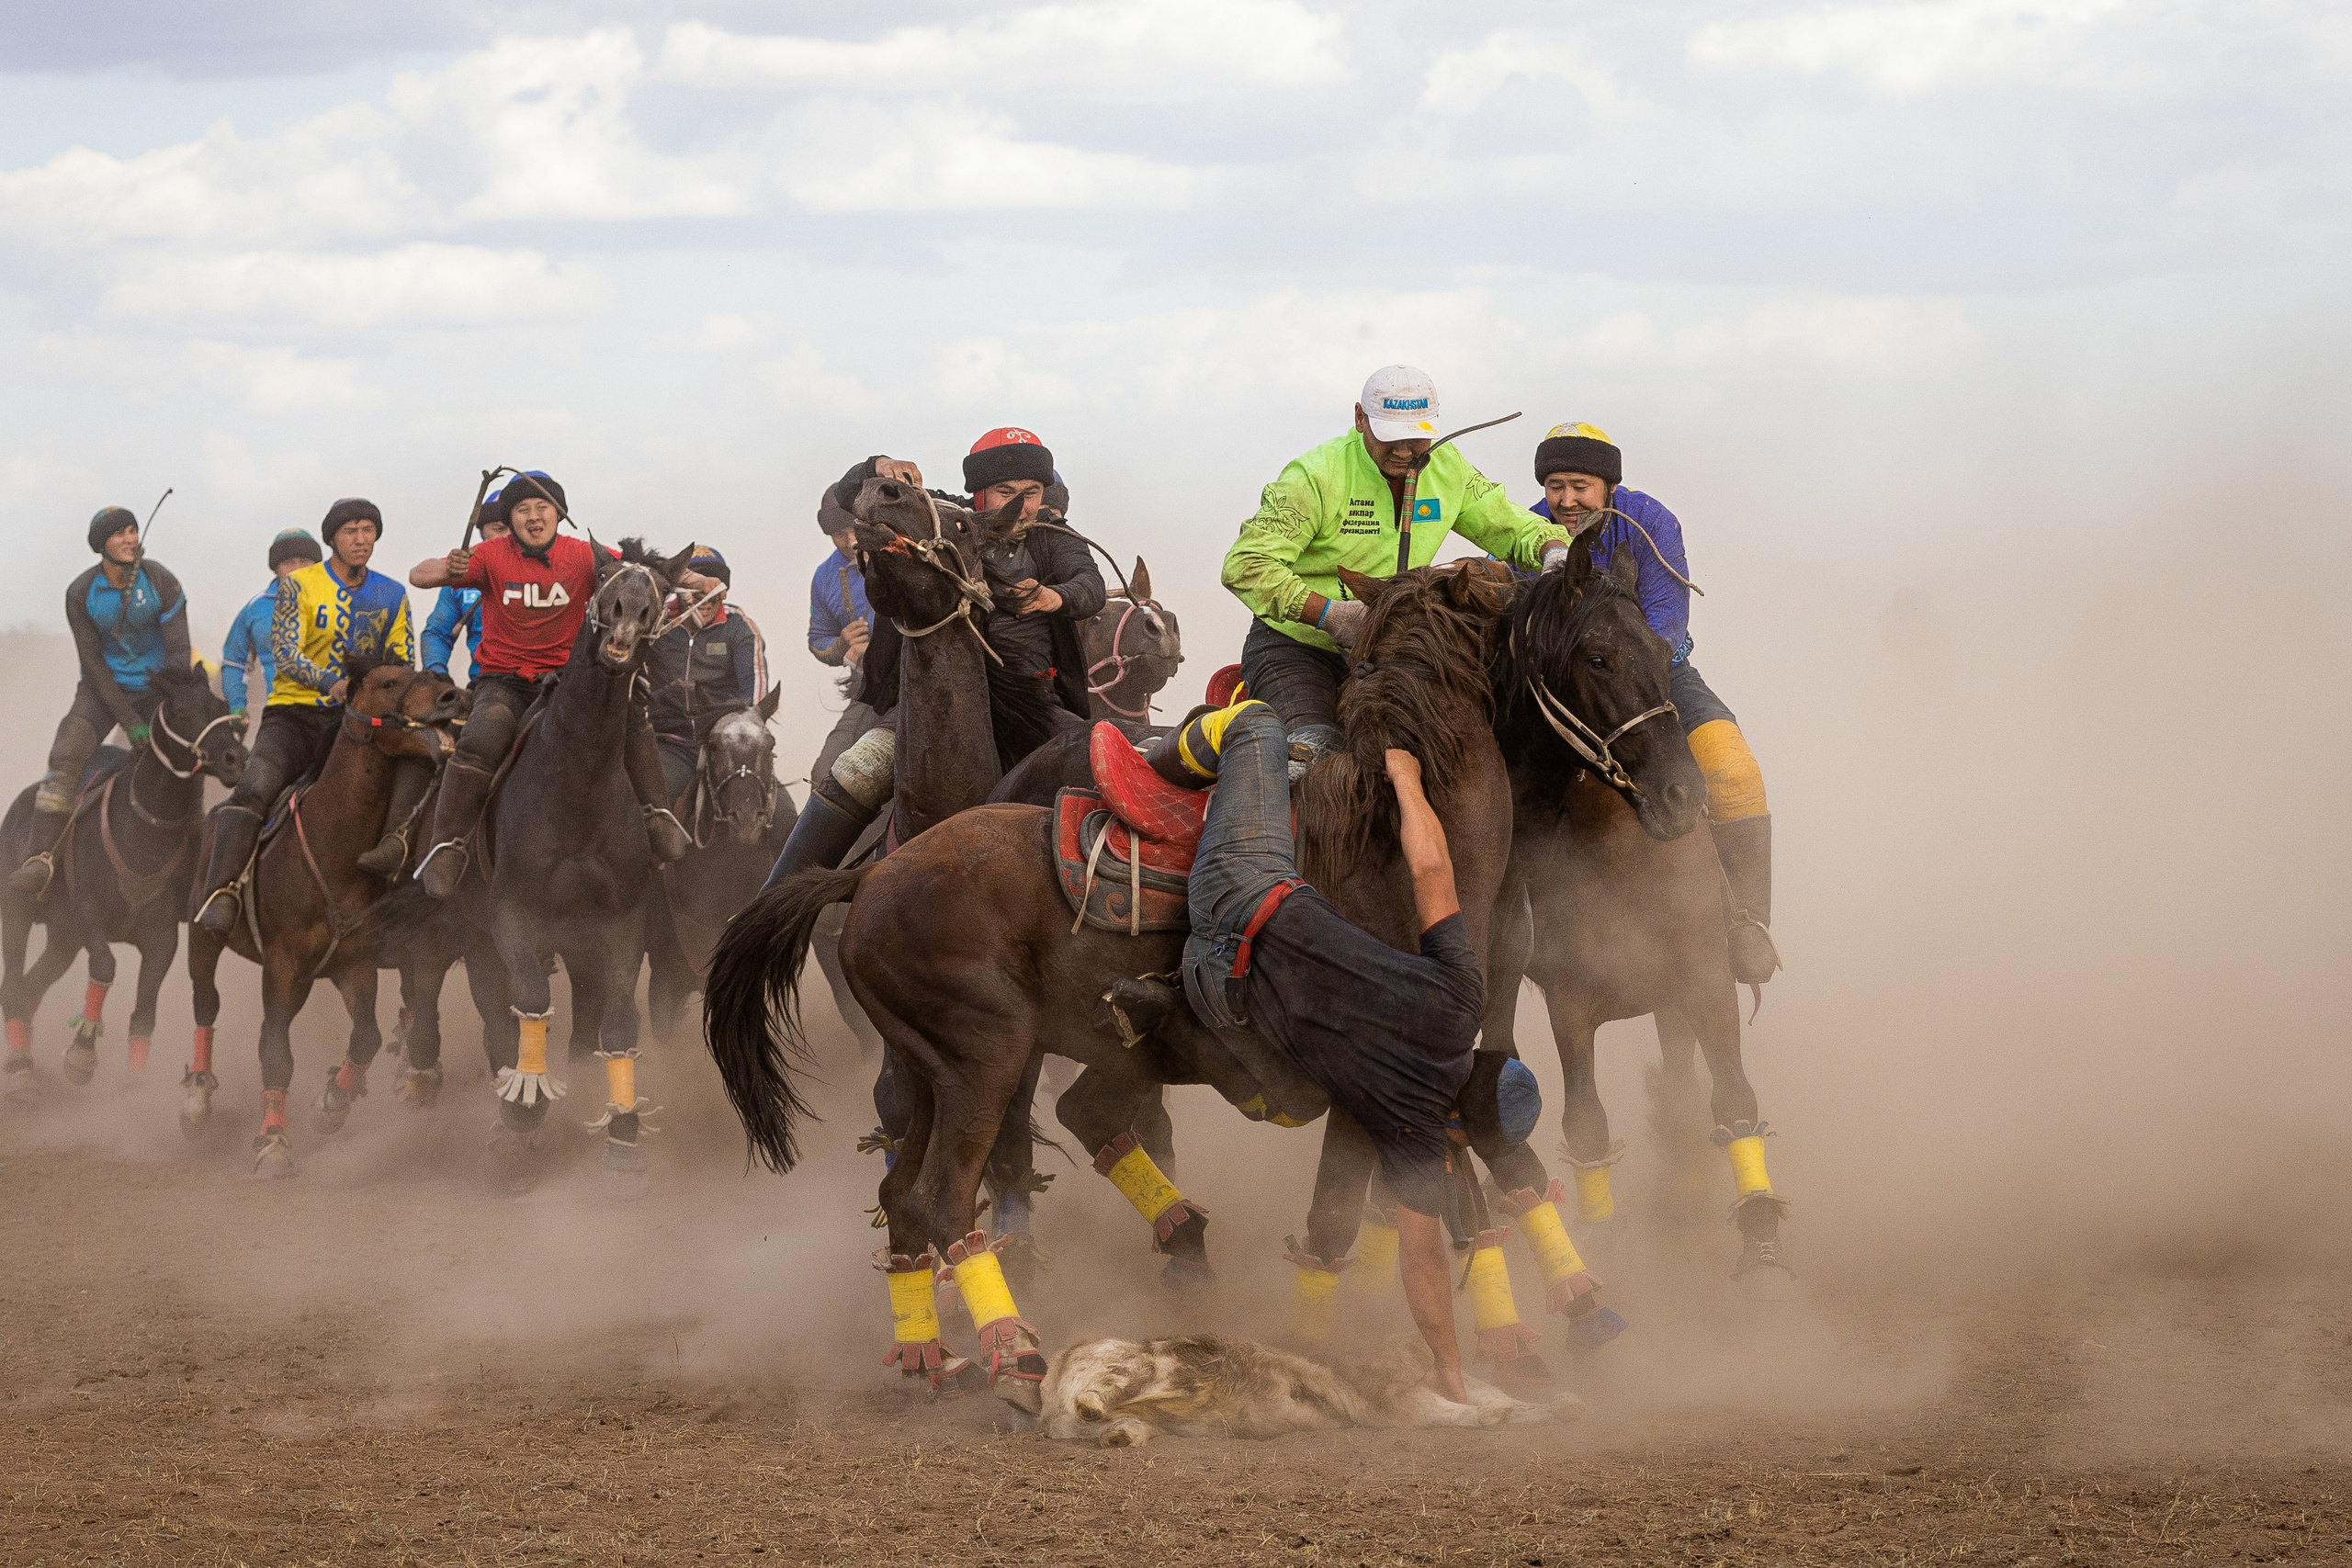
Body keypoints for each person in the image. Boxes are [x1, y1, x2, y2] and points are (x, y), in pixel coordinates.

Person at [1152, 695, 1540, 1402]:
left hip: (1245, 885)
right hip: (1221, 990)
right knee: (1298, 1100)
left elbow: (1432, 871)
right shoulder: (1416, 1129)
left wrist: (1407, 780)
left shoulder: (1463, 997)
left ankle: (1150, 756)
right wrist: (1448, 1365)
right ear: (1461, 1129)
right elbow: (1423, 1258)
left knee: (1257, 722)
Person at [764, 434, 1105, 884]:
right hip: (929, 702)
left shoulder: (1053, 537)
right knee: (856, 770)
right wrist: (877, 465)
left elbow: (1090, 585)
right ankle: (773, 902)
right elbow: (851, 495)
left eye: (1032, 492)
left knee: (1107, 765)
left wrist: (1052, 597)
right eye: (1005, 492)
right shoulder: (943, 517)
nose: (1021, 506)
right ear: (978, 493)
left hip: (1033, 705)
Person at [1222, 367, 1575, 766]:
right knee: (1318, 755)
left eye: (1418, 436)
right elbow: (1246, 564)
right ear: (1360, 418)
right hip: (1300, 648)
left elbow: (1511, 525)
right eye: (1391, 436)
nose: (1406, 451)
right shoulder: (1315, 475)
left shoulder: (1448, 469)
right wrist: (1330, 616)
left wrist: (1554, 551)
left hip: (1395, 646)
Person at [1528, 422, 1777, 984]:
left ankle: (1747, 924)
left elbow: (1667, 617)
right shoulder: (1528, 528)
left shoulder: (1651, 521)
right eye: (1555, 486)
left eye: (1580, 486)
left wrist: (1630, 669)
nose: (1566, 500)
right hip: (1565, 693)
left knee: (1733, 769)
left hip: (1657, 674)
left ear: (1609, 486)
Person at [405, 470, 705, 898]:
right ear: (510, 519)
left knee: (630, 718)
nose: (533, 516)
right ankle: (447, 845)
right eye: (522, 510)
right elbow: (419, 575)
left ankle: (657, 813)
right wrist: (446, 567)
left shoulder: (583, 555)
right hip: (505, 682)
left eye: (541, 507)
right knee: (482, 737)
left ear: (558, 514)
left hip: (569, 681)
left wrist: (699, 580)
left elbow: (645, 572)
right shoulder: (489, 555)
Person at [194, 499, 416, 933]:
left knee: (416, 777)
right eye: (351, 531)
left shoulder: (392, 594)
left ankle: (409, 900)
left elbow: (402, 659)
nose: (360, 539)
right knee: (254, 789)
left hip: (356, 722)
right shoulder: (298, 587)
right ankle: (222, 893)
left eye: (368, 530)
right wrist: (332, 682)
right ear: (332, 538)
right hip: (293, 716)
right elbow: (286, 654)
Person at [7, 507, 194, 896]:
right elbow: (93, 665)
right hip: (101, 690)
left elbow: (179, 655)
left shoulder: (161, 580)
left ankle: (195, 856)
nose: (130, 539)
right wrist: (130, 721)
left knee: (185, 757)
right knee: (67, 752)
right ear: (100, 545)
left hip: (157, 690)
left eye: (133, 530)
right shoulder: (80, 593)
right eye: (120, 533)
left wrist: (165, 708)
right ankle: (40, 859)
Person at [645, 546, 767, 805]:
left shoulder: (739, 626)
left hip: (727, 744)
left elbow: (754, 702)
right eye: (699, 591)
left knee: (784, 816)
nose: (707, 600)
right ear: (681, 589)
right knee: (650, 802)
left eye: (715, 591)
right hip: (671, 743)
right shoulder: (656, 623)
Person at [804, 479, 876, 790]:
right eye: (839, 534)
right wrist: (842, 645)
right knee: (824, 775)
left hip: (922, 683)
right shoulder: (824, 576)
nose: (850, 541)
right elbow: (817, 639)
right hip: (870, 693)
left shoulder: (904, 551)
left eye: (855, 529)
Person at [221, 529, 323, 727]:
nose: (297, 569)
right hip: (281, 714)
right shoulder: (255, 609)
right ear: (276, 568)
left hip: (333, 712)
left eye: (304, 561)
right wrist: (237, 705)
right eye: (288, 562)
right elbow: (235, 662)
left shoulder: (340, 600)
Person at [419, 502, 510, 681]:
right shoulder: (462, 576)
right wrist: (437, 671)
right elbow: (438, 633)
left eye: (514, 529)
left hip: (546, 682)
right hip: (485, 682)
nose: (507, 537)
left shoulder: (549, 570)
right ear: (482, 532)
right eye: (499, 529)